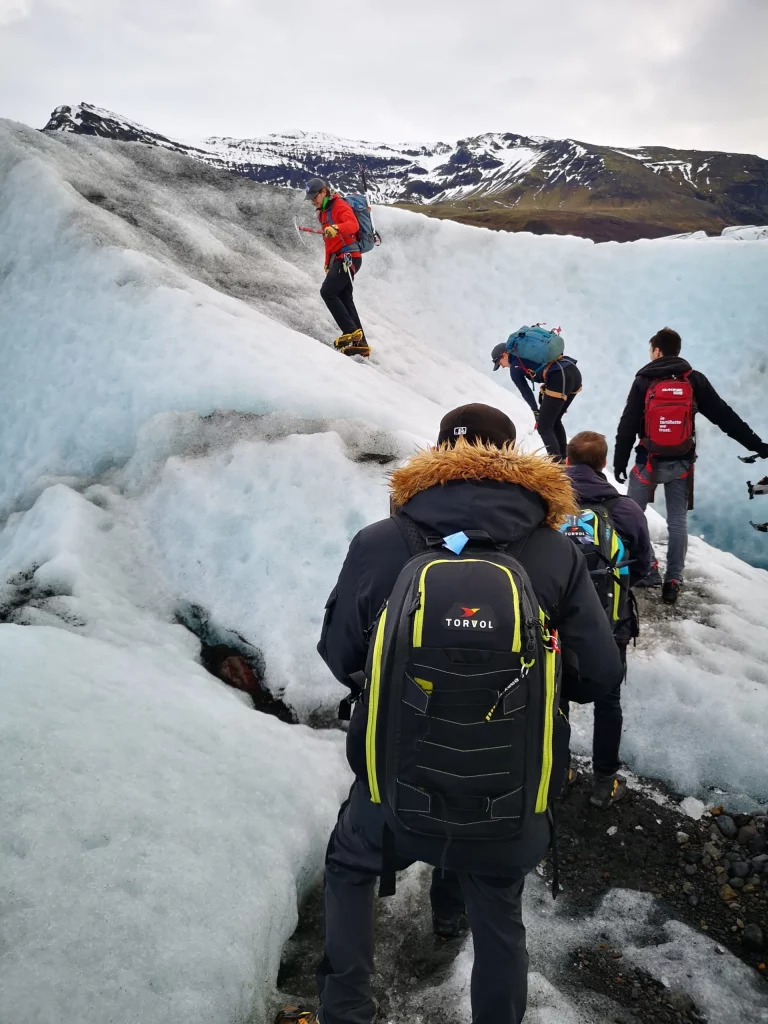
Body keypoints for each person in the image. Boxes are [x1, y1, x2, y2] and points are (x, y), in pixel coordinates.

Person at [292, 404, 623, 1024]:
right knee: (498, 906)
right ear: (512, 457)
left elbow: (339, 654)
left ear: (440, 453)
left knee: (350, 863)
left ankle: (347, 1009)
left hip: (394, 787)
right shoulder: (555, 551)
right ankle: (454, 923)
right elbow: (600, 675)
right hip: (507, 789)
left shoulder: (380, 541)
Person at [614, 328, 768, 605]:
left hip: (646, 460)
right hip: (681, 463)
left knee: (632, 516)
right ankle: (674, 579)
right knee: (677, 522)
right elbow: (725, 416)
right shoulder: (693, 380)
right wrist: (757, 445)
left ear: (657, 350)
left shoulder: (645, 380)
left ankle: (648, 569)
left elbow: (628, 423)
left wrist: (618, 460)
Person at [564, 431, 653, 808]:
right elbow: (645, 569)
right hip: (610, 624)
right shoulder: (627, 509)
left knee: (556, 697)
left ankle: (558, 770)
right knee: (609, 700)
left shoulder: (548, 502)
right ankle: (604, 782)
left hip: (556, 623)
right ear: (602, 465)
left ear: (566, 461)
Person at [305, 177, 370, 357]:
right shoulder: (323, 212)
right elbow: (329, 241)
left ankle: (350, 331)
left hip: (348, 257)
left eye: (314, 196)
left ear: (323, 192)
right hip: (339, 258)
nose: (312, 200)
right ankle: (361, 344)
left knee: (327, 292)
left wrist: (337, 227)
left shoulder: (339, 206)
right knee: (344, 297)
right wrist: (327, 262)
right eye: (310, 197)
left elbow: (353, 225)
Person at [491, 336, 581, 461]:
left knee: (543, 427)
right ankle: (565, 460)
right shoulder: (525, 356)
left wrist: (536, 412)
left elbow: (526, 392)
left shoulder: (515, 368)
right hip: (572, 371)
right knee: (554, 421)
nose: (502, 366)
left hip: (558, 376)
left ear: (505, 355)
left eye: (500, 363)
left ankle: (557, 466)